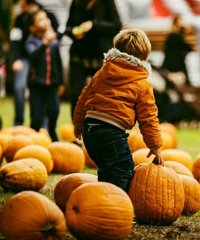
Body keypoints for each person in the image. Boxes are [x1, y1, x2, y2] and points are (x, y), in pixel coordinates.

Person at [73, 29, 164, 193]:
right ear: (145, 57)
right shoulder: (142, 84)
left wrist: (78, 124)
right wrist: (155, 145)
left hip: (89, 131)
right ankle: (115, 209)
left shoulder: (101, 73)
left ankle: (103, 206)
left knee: (107, 169)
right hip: (111, 132)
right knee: (123, 169)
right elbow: (148, 118)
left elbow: (83, 99)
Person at [65, 0, 122, 120]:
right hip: (79, 55)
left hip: (100, 56)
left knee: (102, 95)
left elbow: (116, 25)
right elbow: (68, 27)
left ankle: (102, 128)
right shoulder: (76, 2)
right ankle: (77, 130)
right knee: (77, 94)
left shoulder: (107, 2)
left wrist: (93, 24)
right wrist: (73, 32)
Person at [10, 0, 60, 126]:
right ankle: (18, 121)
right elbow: (15, 40)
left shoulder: (48, 15)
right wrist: (16, 59)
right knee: (20, 87)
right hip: (25, 57)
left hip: (44, 57)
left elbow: (59, 32)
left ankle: (45, 126)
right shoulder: (20, 18)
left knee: (46, 91)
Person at [26, 9, 64, 141]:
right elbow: (32, 55)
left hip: (52, 85)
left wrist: (61, 81)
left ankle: (52, 132)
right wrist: (44, 43)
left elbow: (59, 64)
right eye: (41, 20)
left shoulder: (54, 42)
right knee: (36, 115)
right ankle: (34, 136)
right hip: (36, 85)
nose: (46, 21)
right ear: (32, 28)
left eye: (46, 18)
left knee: (54, 110)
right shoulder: (31, 41)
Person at [161, 15, 193, 86]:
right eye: (181, 21)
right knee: (185, 81)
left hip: (170, 60)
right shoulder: (176, 36)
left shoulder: (171, 35)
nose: (183, 23)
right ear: (177, 23)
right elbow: (187, 47)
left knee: (167, 77)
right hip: (176, 60)